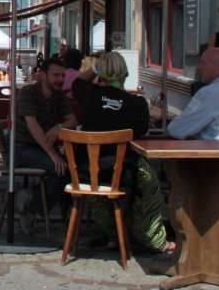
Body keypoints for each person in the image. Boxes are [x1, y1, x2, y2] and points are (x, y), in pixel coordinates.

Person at [71, 51, 171, 252]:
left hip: (88, 171)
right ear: (125, 73)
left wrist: (97, 67)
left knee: (100, 192)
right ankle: (150, 236)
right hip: (122, 169)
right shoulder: (137, 104)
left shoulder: (89, 95)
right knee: (149, 183)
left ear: (101, 73)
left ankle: (114, 234)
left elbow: (77, 82)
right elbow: (141, 131)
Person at [15, 57, 78, 227]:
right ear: (43, 75)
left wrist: (58, 127)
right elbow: (32, 125)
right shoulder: (28, 92)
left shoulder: (59, 95)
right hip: (21, 148)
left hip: (42, 148)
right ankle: (32, 207)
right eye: (55, 75)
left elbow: (72, 120)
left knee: (73, 167)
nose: (60, 79)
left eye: (62, 75)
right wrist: (52, 155)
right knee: (62, 169)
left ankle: (32, 200)